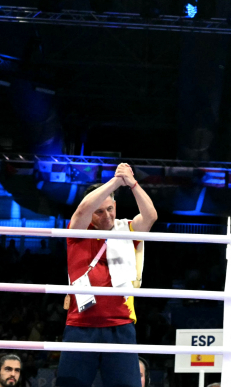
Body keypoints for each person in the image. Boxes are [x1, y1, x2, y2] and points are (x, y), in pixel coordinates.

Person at [57, 163, 158, 387]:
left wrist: (131, 183)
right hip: (81, 325)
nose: (107, 216)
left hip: (120, 324)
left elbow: (150, 217)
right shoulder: (77, 232)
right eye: (99, 211)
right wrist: (115, 180)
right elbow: (82, 210)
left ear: (115, 205)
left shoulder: (126, 229)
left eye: (110, 209)